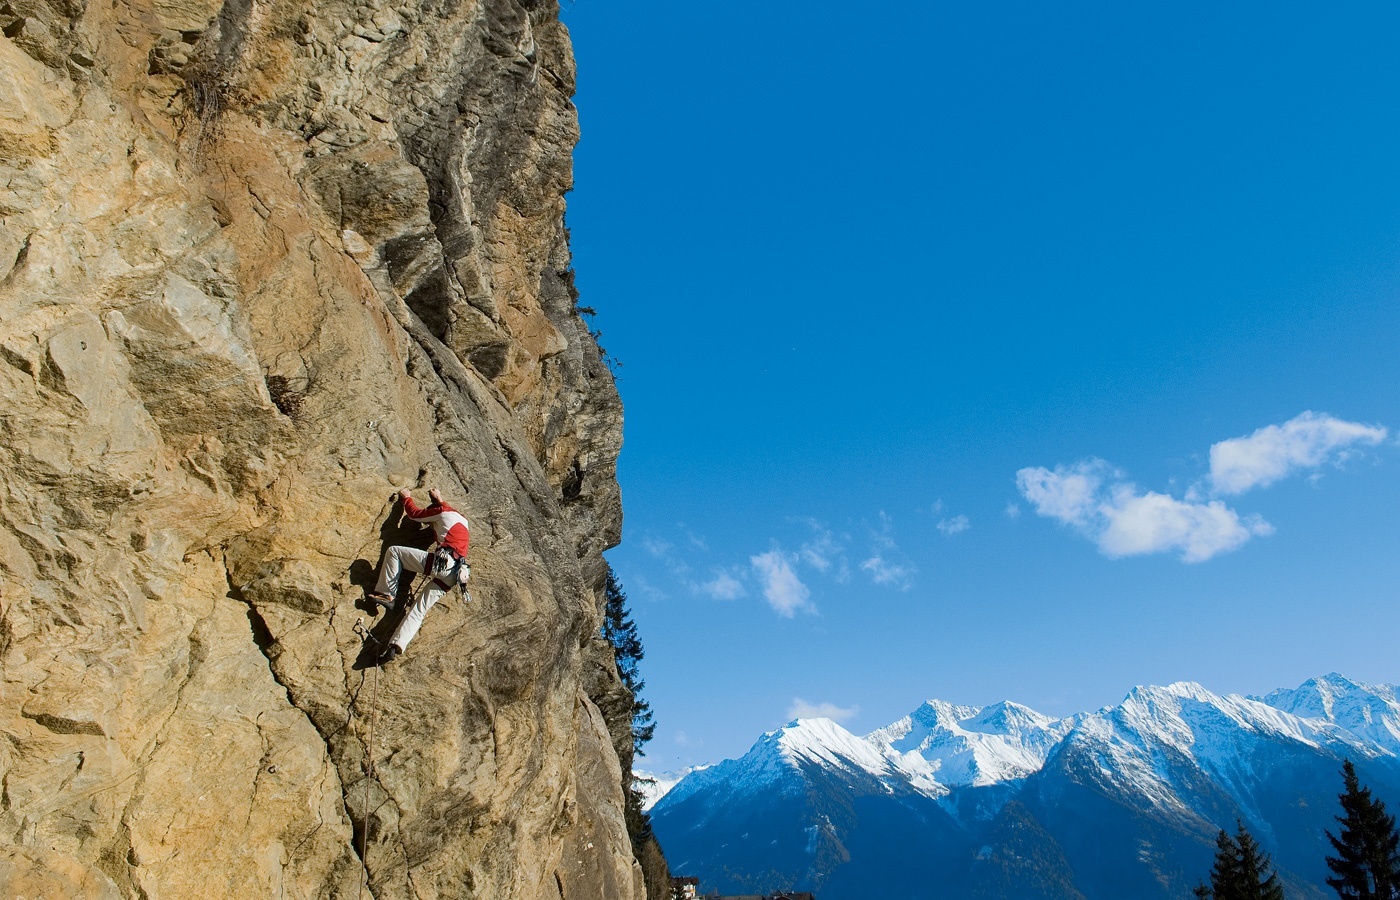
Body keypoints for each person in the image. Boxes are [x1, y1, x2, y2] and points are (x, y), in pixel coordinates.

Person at [369, 487, 469, 663]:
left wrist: (406, 498)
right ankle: (397, 645)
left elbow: (415, 514)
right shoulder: (462, 520)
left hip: (443, 563)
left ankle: (387, 594)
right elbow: (444, 511)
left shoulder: (441, 513)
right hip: (456, 574)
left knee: (394, 552)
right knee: (420, 609)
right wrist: (439, 498)